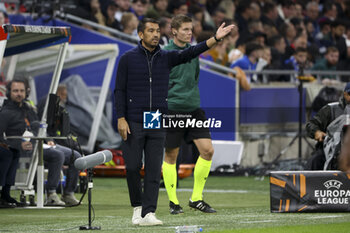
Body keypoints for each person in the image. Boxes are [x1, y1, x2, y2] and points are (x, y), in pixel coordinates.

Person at [114, 17, 234, 226]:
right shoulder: (127, 59)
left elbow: (191, 52)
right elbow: (119, 90)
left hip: (155, 118)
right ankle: (137, 207)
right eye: (150, 31)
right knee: (133, 166)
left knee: (152, 168)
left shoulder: (166, 58)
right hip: (134, 118)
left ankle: (149, 212)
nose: (155, 34)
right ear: (140, 35)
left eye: (157, 31)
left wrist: (215, 39)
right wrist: (121, 117)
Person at [162, 14, 217, 216]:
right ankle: (173, 202)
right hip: (173, 109)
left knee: (208, 151)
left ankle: (196, 198)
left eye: (191, 29)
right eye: (185, 29)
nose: (189, 33)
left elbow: (194, 78)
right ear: (173, 30)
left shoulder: (193, 52)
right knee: (171, 155)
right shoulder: (164, 53)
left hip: (194, 108)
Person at [0, 79, 36, 208]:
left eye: (21, 91)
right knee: (9, 153)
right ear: (9, 92)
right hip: (10, 146)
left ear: (26, 92)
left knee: (13, 153)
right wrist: (17, 144)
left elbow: (36, 128)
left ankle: (5, 194)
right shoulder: (5, 112)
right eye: (15, 91)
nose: (19, 94)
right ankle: (3, 193)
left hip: (32, 145)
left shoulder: (29, 109)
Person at [306, 83, 350, 170]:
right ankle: (308, 182)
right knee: (315, 160)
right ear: (344, 94)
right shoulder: (331, 109)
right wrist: (317, 132)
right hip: (330, 152)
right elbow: (311, 124)